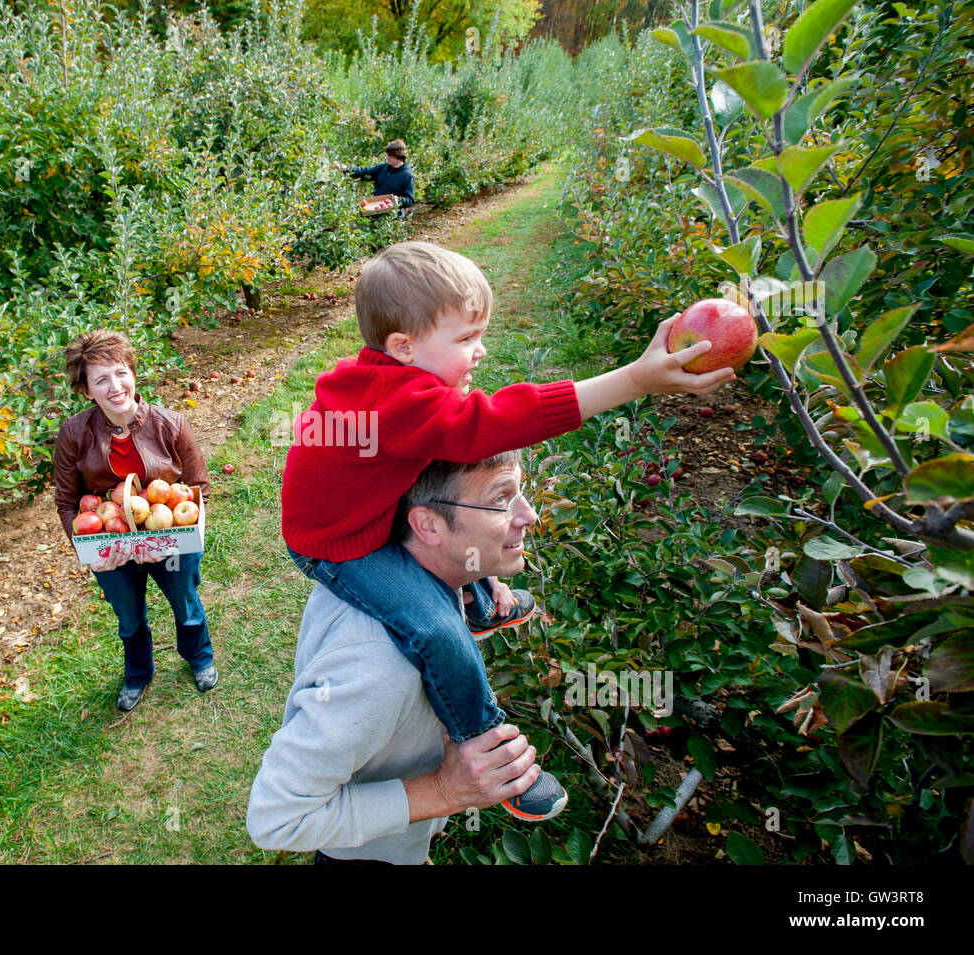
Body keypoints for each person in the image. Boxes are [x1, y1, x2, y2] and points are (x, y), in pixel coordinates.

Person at [279, 240, 733, 821]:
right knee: (436, 631)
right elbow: (490, 425)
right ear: (404, 347)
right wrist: (635, 380)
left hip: (352, 507)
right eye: (466, 339)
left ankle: (478, 599)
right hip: (338, 545)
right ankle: (490, 751)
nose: (481, 349)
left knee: (452, 533)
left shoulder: (384, 377)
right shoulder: (399, 403)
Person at [248, 451, 548, 864]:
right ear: (427, 525)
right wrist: (443, 793)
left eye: (520, 492)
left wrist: (475, 579)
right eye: (501, 499)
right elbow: (276, 817)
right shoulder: (377, 671)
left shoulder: (416, 565)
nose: (528, 515)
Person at [53, 329, 217, 712]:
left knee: (186, 602)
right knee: (128, 616)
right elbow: (65, 502)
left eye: (121, 372)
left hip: (169, 532)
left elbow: (198, 488)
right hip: (109, 541)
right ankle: (138, 673)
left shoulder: (171, 424)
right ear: (86, 390)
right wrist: (88, 552)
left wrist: (188, 536)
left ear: (132, 372)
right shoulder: (74, 434)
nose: (115, 386)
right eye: (101, 379)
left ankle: (199, 657)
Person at [333, 139, 416, 212]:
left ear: (398, 156)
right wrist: (345, 169)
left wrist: (398, 200)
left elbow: (409, 200)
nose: (387, 157)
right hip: (376, 208)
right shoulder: (383, 168)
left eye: (390, 155)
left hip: (393, 216)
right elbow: (364, 172)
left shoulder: (407, 175)